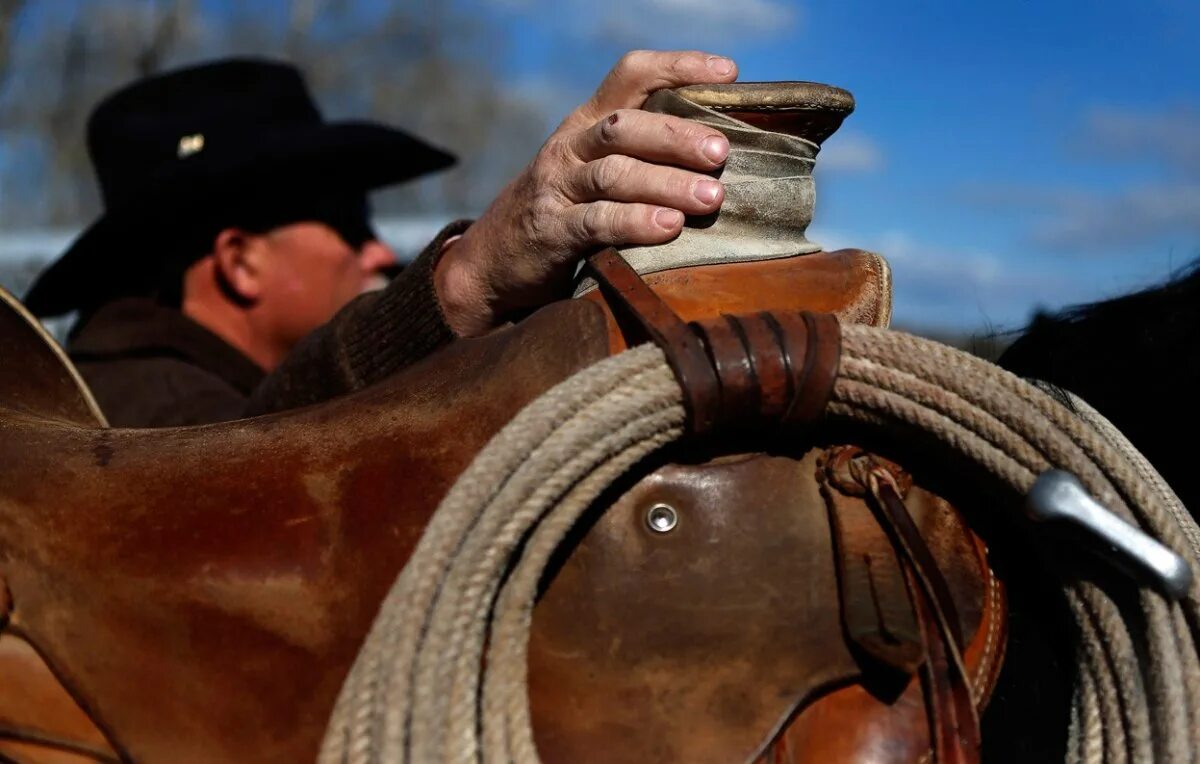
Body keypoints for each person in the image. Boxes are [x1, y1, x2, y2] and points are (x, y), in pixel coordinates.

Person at [24, 50, 738, 427]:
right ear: (240, 261)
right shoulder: (124, 410)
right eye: (348, 223)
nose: (378, 252)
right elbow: (235, 474)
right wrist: (468, 279)